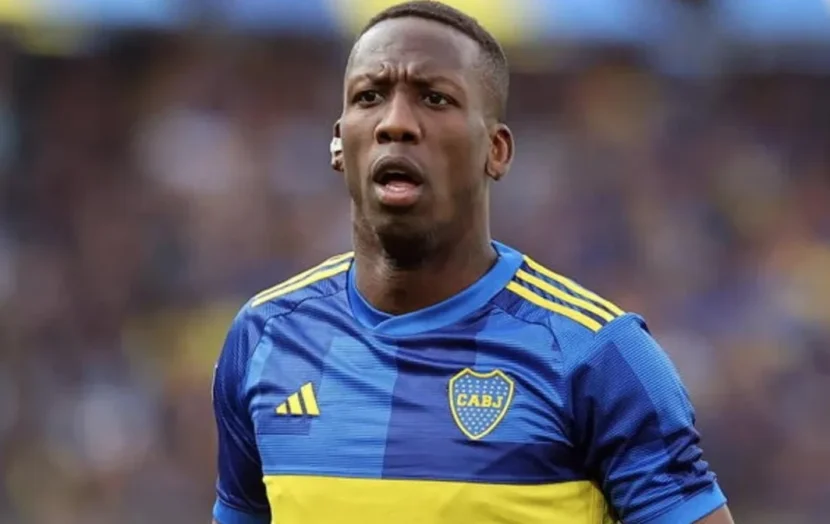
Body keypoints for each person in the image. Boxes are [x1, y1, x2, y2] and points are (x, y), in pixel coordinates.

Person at [211, 2, 734, 523]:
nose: (396, 123)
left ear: (496, 150)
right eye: (369, 97)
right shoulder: (264, 337)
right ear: (338, 144)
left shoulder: (595, 355)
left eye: (435, 98)